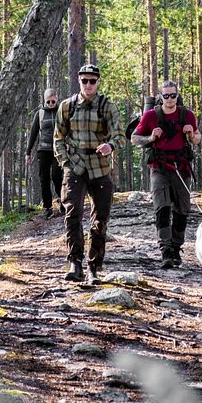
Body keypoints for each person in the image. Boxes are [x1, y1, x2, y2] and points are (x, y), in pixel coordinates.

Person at [53, 63, 125, 285]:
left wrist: (110, 146)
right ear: (78, 81)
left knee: (100, 219)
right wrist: (65, 162)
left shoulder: (107, 106)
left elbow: (121, 135)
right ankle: (75, 262)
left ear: (98, 82)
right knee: (72, 213)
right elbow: (58, 139)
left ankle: (94, 266)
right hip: (74, 166)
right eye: (85, 81)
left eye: (92, 81)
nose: (88, 85)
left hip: (100, 167)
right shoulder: (67, 106)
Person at [131, 80, 202, 269]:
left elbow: (197, 138)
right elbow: (134, 138)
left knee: (182, 210)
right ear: (160, 97)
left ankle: (177, 248)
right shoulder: (150, 116)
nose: (170, 99)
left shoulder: (187, 115)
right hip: (159, 167)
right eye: (166, 95)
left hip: (182, 168)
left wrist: (191, 135)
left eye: (173, 95)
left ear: (177, 96)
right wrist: (151, 137)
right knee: (162, 208)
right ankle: (166, 251)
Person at [25, 88, 63, 218]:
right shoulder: (39, 114)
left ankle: (63, 201)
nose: (51, 103)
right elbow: (33, 133)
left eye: (53, 101)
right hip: (43, 150)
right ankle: (48, 207)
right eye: (48, 101)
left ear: (57, 99)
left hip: (58, 150)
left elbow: (68, 130)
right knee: (44, 178)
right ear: (45, 101)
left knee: (57, 177)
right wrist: (28, 152)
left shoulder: (61, 112)